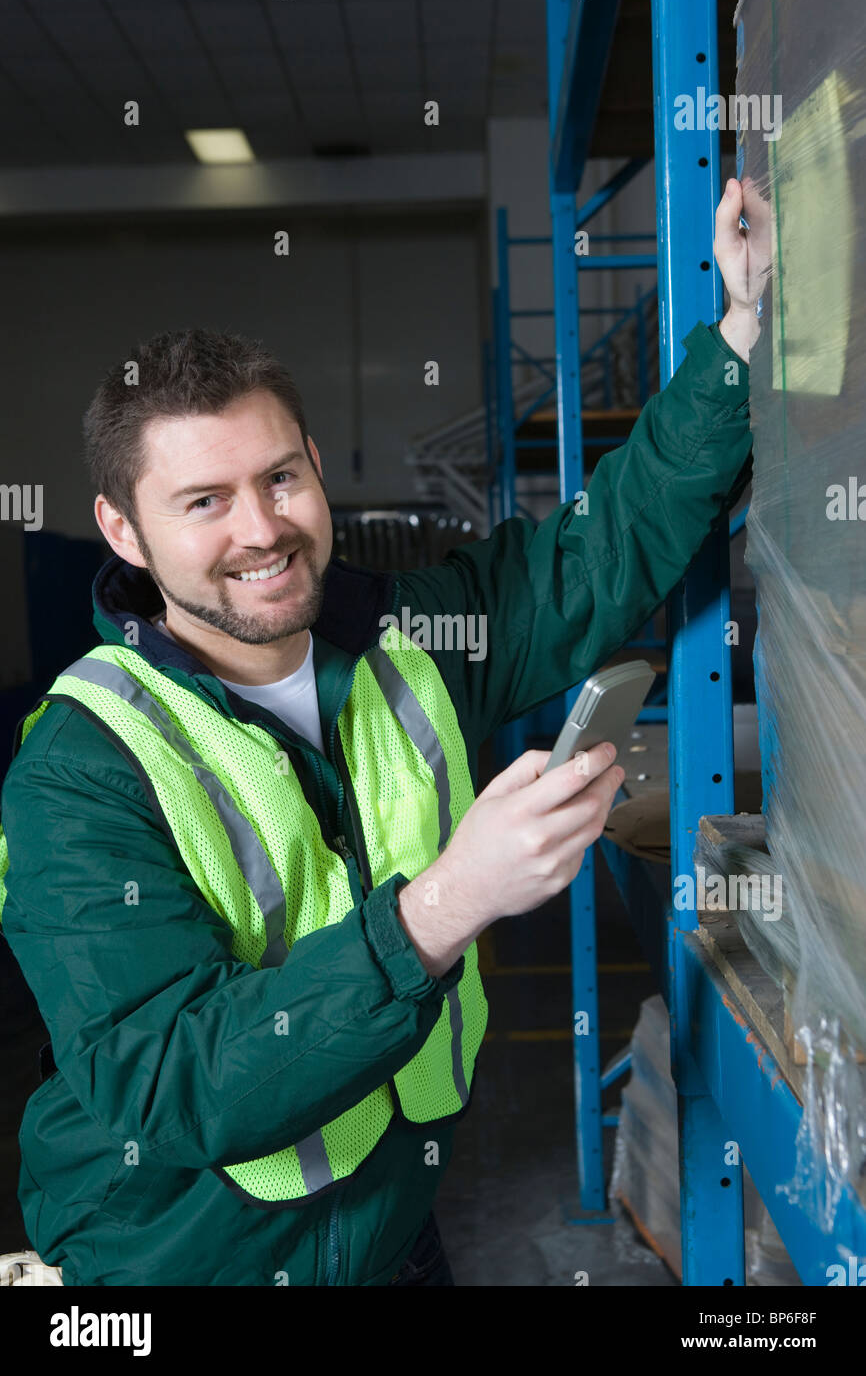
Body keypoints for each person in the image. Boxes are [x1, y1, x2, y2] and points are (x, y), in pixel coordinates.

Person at [0, 179, 764, 1287]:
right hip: (173, 1262)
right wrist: (450, 900)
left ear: (314, 462)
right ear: (122, 528)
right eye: (202, 501)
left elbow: (604, 550)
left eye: (280, 477)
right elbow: (167, 1083)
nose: (260, 529)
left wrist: (739, 326)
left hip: (393, 1229)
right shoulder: (77, 771)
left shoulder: (409, 633)